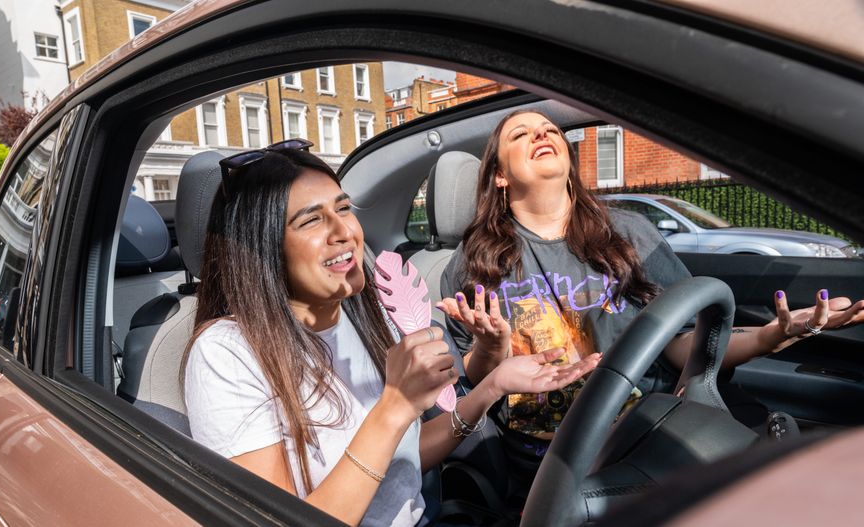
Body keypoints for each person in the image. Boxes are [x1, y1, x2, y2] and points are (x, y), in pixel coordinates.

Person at [438, 110, 864, 496]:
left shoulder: (629, 233)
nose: (541, 135)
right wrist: (490, 348)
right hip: (554, 465)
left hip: (652, 431)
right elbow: (475, 381)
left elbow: (681, 341)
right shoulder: (475, 262)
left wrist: (770, 336)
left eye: (550, 129)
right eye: (521, 134)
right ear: (499, 175)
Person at [181, 139, 601, 527]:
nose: (344, 232)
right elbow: (274, 519)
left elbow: (399, 461)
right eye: (311, 220)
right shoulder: (226, 352)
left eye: (343, 209)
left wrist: (493, 387)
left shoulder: (363, 314)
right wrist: (396, 404)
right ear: (263, 246)